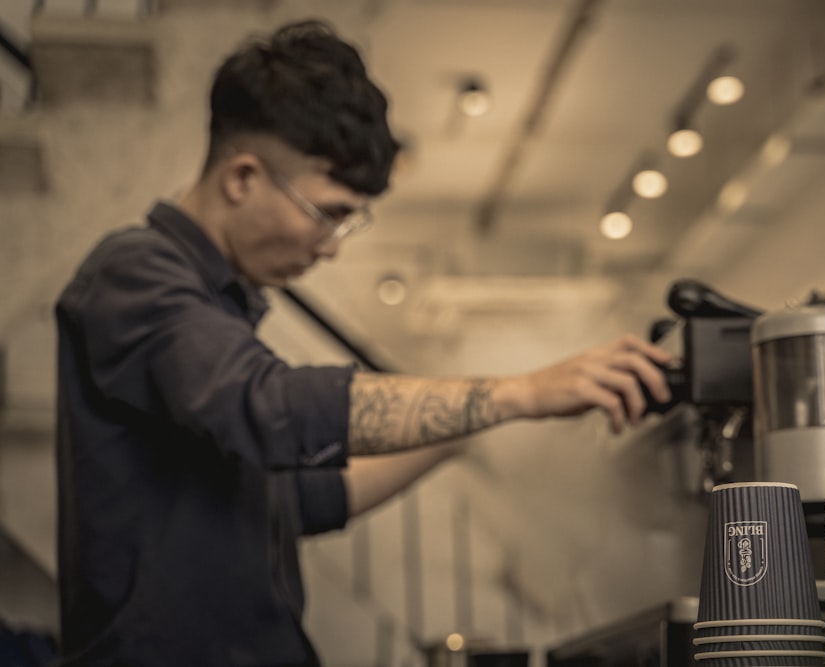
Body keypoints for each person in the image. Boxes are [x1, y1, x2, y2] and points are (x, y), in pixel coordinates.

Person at [53, 18, 671, 667]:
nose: (330, 246)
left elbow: (304, 496)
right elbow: (272, 407)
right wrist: (520, 392)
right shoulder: (135, 275)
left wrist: (468, 431)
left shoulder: (214, 313)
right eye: (329, 212)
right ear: (242, 177)